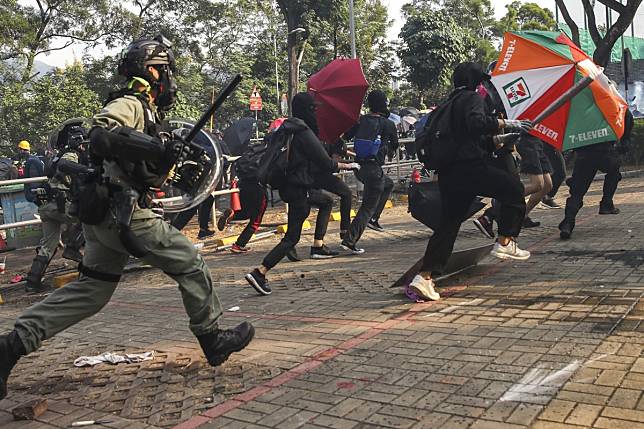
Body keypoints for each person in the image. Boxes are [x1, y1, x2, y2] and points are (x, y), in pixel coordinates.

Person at [0, 35, 254, 401]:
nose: (169, 79)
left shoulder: (148, 112)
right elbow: (101, 134)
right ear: (152, 71)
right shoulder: (130, 103)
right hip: (125, 214)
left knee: (92, 291)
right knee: (191, 262)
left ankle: (10, 346)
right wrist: (157, 147)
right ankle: (213, 339)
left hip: (105, 218)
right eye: (165, 71)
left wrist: (168, 156)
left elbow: (142, 165)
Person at [410, 62, 532, 302]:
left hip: (449, 173)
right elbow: (477, 124)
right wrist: (508, 123)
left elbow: (470, 137)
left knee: (449, 225)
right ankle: (506, 240)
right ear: (476, 83)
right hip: (469, 168)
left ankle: (423, 278)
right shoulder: (471, 99)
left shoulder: (446, 104)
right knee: (514, 190)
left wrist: (502, 137)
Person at [244, 92, 358, 296]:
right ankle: (260, 272)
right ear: (308, 110)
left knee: (325, 201)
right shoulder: (303, 132)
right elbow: (325, 162)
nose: (316, 112)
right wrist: (347, 165)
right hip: (298, 189)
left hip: (288, 186)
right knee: (292, 237)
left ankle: (318, 245)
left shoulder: (286, 128)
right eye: (313, 109)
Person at [24, 119, 89, 293]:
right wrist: (87, 171)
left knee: (48, 245)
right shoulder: (70, 155)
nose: (84, 147)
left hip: (47, 206)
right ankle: (73, 249)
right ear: (76, 142)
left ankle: (32, 282)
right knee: (90, 218)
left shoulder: (57, 155)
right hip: (59, 205)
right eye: (82, 143)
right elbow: (65, 165)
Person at [558, 110, 632, 240]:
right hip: (605, 152)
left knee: (577, 192)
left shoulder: (578, 108)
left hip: (585, 155)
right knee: (614, 173)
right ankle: (606, 203)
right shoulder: (609, 103)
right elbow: (626, 118)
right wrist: (623, 145)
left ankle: (568, 223)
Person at [340, 90, 398, 254]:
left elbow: (344, 137)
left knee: (388, 184)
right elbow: (394, 144)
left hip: (359, 168)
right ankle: (350, 240)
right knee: (367, 207)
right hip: (373, 169)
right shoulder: (388, 124)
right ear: (384, 104)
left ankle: (374, 219)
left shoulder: (360, 120)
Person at [515, 134, 553, 227]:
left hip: (538, 140)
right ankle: (500, 202)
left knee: (547, 185)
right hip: (527, 142)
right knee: (537, 185)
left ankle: (522, 216)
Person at [541, 143, 566, 209]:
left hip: (553, 145)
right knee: (559, 173)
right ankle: (546, 197)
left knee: (560, 173)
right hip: (546, 144)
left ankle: (546, 196)